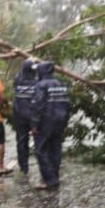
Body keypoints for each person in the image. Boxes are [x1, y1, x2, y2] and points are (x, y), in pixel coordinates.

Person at [31, 61, 71, 190]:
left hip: (46, 121)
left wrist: (35, 124)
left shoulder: (41, 85)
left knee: (40, 150)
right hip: (60, 120)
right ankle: (55, 176)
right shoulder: (62, 85)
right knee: (56, 148)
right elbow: (68, 104)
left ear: (42, 71)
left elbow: (38, 106)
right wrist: (65, 121)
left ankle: (50, 179)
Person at [12, 58, 39, 175]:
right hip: (33, 116)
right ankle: (43, 166)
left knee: (22, 142)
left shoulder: (18, 80)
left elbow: (19, 73)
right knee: (39, 141)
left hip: (20, 115)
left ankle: (24, 167)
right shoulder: (37, 82)